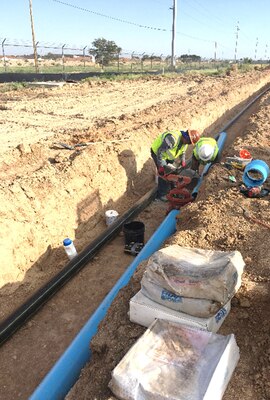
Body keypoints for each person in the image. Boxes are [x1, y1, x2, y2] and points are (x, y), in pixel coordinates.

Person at [151, 129, 201, 201]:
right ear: (187, 138)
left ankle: (172, 189)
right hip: (158, 153)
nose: (189, 144)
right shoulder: (172, 139)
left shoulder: (185, 142)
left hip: (168, 155)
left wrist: (183, 161)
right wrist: (161, 166)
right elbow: (160, 151)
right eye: (189, 142)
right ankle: (161, 195)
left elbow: (182, 152)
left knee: (173, 172)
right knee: (164, 174)